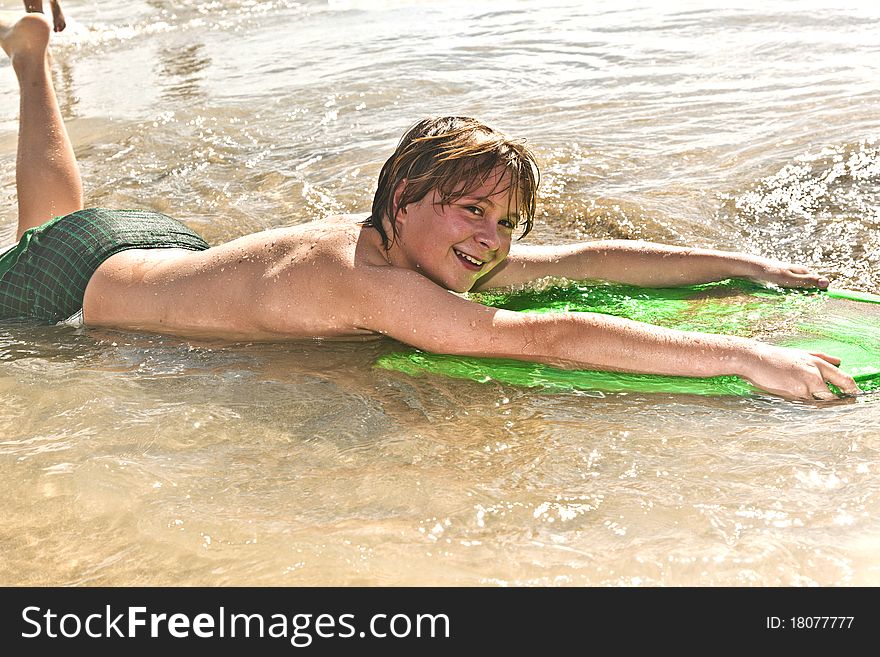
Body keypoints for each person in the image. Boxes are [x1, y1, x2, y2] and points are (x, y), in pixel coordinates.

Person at [0, 12, 861, 401]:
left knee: (53, 221)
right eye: (470, 211)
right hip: (75, 293)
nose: (491, 238)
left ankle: (33, 65)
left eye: (504, 222)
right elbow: (542, 337)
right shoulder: (361, 277)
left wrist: (742, 265)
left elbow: (582, 263)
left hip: (157, 247)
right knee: (41, 238)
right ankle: (31, 67)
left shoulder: (396, 247)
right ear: (405, 200)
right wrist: (745, 357)